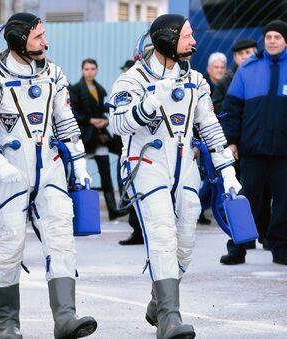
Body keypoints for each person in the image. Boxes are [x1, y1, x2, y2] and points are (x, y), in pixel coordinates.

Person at [0, 13, 97, 339]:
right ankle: (7, 323)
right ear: (19, 40)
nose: (45, 42)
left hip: (49, 169)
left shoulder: (54, 74)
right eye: (38, 37)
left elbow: (66, 122)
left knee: (62, 239)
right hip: (8, 173)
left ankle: (66, 317)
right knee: (11, 244)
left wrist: (79, 164)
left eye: (43, 36)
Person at [109, 14, 241, 338]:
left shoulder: (195, 81)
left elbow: (209, 125)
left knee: (186, 241)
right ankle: (169, 318)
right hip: (146, 165)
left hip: (183, 165)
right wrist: (151, 101)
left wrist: (227, 168)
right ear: (167, 40)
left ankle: (158, 300)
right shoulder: (133, 80)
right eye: (186, 37)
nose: (193, 43)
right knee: (163, 235)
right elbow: (118, 125)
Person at [220, 20, 287, 266]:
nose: (271, 40)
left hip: (283, 153)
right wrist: (232, 141)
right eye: (268, 36)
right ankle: (238, 248)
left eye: (277, 37)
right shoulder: (248, 68)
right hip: (253, 149)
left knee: (284, 203)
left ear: (285, 40)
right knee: (245, 200)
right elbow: (232, 109)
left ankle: (280, 249)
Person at [69, 58, 125, 221]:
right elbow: (73, 113)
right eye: (86, 69)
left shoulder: (100, 90)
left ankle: (113, 209)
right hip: (83, 138)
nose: (90, 72)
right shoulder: (76, 89)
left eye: (93, 69)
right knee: (75, 174)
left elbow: (104, 111)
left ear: (97, 70)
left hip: (99, 137)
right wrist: (90, 120)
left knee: (106, 173)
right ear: (82, 70)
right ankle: (73, 210)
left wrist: (106, 121)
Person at [116, 60, 144, 246]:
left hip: (144, 150)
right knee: (132, 192)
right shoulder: (122, 88)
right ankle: (137, 230)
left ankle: (141, 231)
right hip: (129, 150)